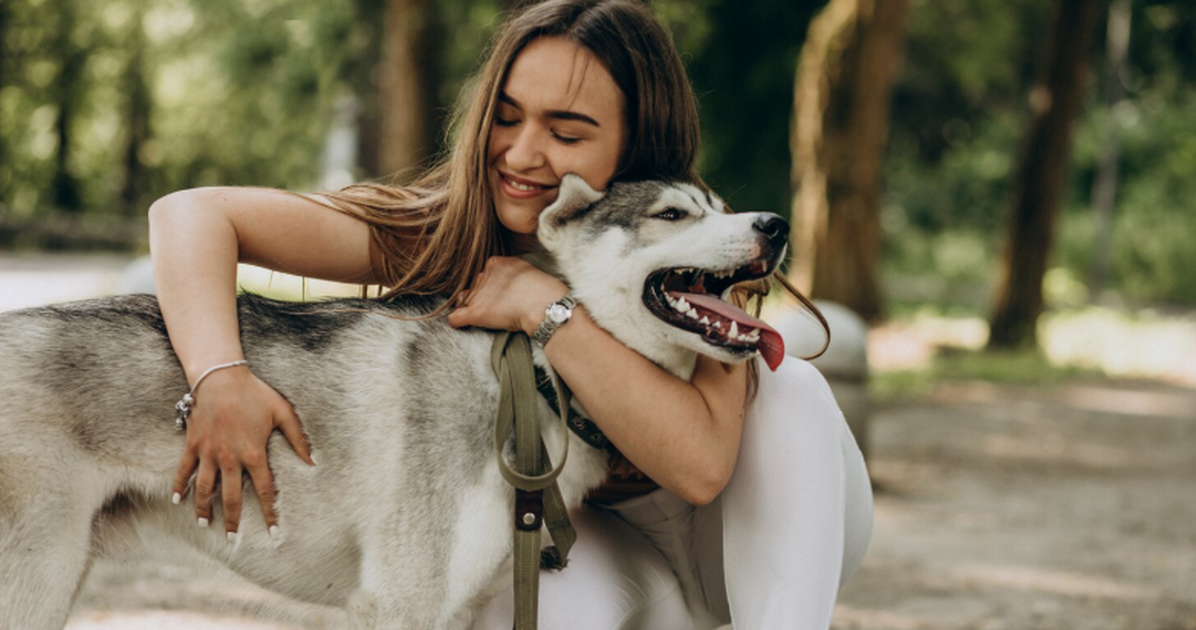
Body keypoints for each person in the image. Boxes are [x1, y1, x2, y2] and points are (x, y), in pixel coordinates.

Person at [148, 1, 874, 628]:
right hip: (611, 546)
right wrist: (220, 376)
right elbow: (191, 215)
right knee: (497, 597)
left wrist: (543, 306)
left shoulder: (692, 250)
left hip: (759, 541)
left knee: (794, 394)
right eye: (506, 117)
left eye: (566, 132)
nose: (522, 154)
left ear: (634, 142)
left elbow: (701, 468)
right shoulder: (447, 232)